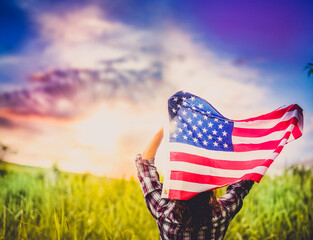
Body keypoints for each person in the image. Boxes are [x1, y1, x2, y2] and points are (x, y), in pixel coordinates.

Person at [136, 128, 254, 240]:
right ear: (208, 187)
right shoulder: (221, 214)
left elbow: (144, 166)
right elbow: (242, 185)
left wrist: (165, 128)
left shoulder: (164, 212)